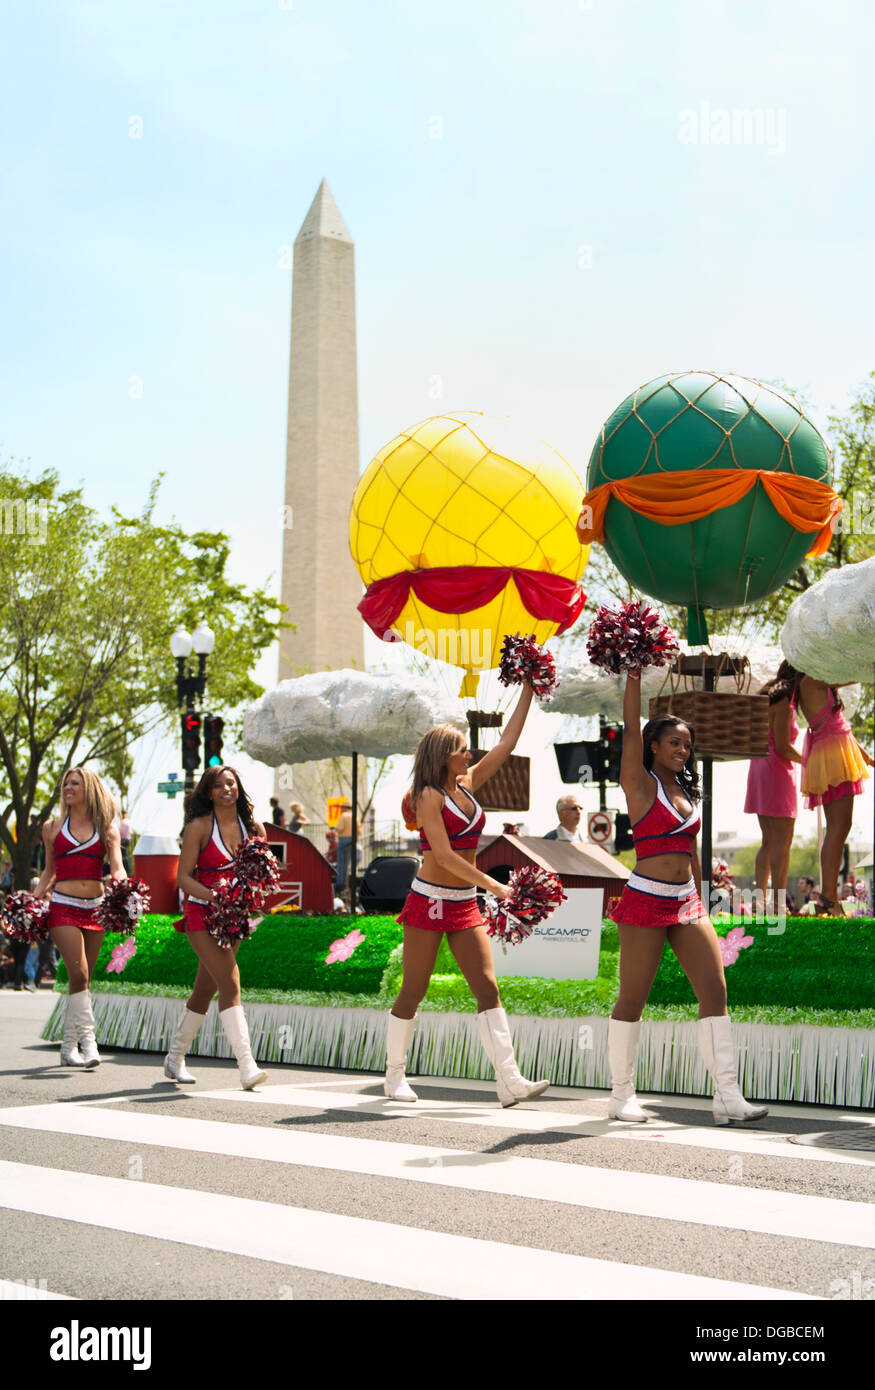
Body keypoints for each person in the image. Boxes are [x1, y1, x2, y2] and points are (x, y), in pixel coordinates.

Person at [606, 670, 767, 1127]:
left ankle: (727, 1096)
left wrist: (703, 898)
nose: (682, 750)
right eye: (674, 742)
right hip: (645, 899)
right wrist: (634, 674)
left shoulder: (686, 792)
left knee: (715, 990)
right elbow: (631, 719)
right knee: (633, 998)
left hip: (685, 902)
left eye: (687, 745)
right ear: (653, 745)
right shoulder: (638, 784)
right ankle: (621, 1095)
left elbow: (691, 850)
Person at [388, 683, 550, 1108]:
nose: (469, 755)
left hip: (463, 904)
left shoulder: (469, 783)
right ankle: (394, 1076)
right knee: (414, 989)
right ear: (443, 755)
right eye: (461, 749)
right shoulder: (427, 795)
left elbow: (507, 742)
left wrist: (529, 690)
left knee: (487, 987)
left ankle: (509, 1081)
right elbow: (440, 854)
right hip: (431, 898)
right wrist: (495, 885)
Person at [169, 765, 268, 1089]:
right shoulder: (198, 827)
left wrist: (247, 896)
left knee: (205, 989)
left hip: (234, 918)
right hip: (201, 914)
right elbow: (183, 877)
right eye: (219, 785)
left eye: (232, 783)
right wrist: (216, 896)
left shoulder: (254, 827)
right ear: (208, 792)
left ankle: (174, 1058)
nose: (227, 789)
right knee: (230, 981)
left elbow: (260, 876)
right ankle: (246, 1065)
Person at [34, 767, 126, 1066]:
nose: (68, 788)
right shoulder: (51, 828)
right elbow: (48, 871)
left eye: (75, 783)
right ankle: (90, 1044)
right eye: (66, 784)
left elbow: (117, 867)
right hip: (63, 905)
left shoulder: (106, 828)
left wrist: (124, 886)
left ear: (89, 789)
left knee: (83, 979)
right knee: (79, 973)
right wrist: (29, 905)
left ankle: (67, 1049)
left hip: (97, 908)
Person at [787, 665, 873, 913]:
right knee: (839, 826)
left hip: (834, 750)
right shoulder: (813, 678)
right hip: (832, 753)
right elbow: (852, 674)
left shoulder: (813, 679)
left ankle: (827, 897)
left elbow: (838, 721)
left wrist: (865, 756)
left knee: (839, 826)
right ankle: (828, 897)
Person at [744, 662, 803, 915]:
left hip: (759, 767)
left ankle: (760, 901)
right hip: (777, 770)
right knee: (783, 841)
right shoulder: (785, 702)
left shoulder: (767, 695)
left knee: (768, 840)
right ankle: (778, 905)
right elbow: (782, 746)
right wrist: (811, 762)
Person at [334, 802, 361, 892]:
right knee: (350, 863)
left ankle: (341, 883)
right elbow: (359, 831)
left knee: (341, 863)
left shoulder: (344, 816)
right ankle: (349, 883)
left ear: (345, 808)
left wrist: (335, 828)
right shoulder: (355, 817)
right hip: (353, 840)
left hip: (343, 839)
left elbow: (339, 828)